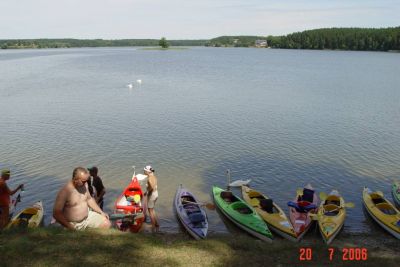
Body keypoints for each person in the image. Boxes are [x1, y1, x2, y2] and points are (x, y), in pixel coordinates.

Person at [144, 165, 159, 232]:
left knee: (150, 211)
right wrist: (146, 191)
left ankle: (153, 227)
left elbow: (152, 187)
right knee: (152, 210)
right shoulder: (153, 176)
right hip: (156, 194)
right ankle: (156, 224)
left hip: (152, 195)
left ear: (148, 171)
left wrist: (148, 193)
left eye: (144, 170)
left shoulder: (149, 178)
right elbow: (153, 187)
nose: (144, 171)